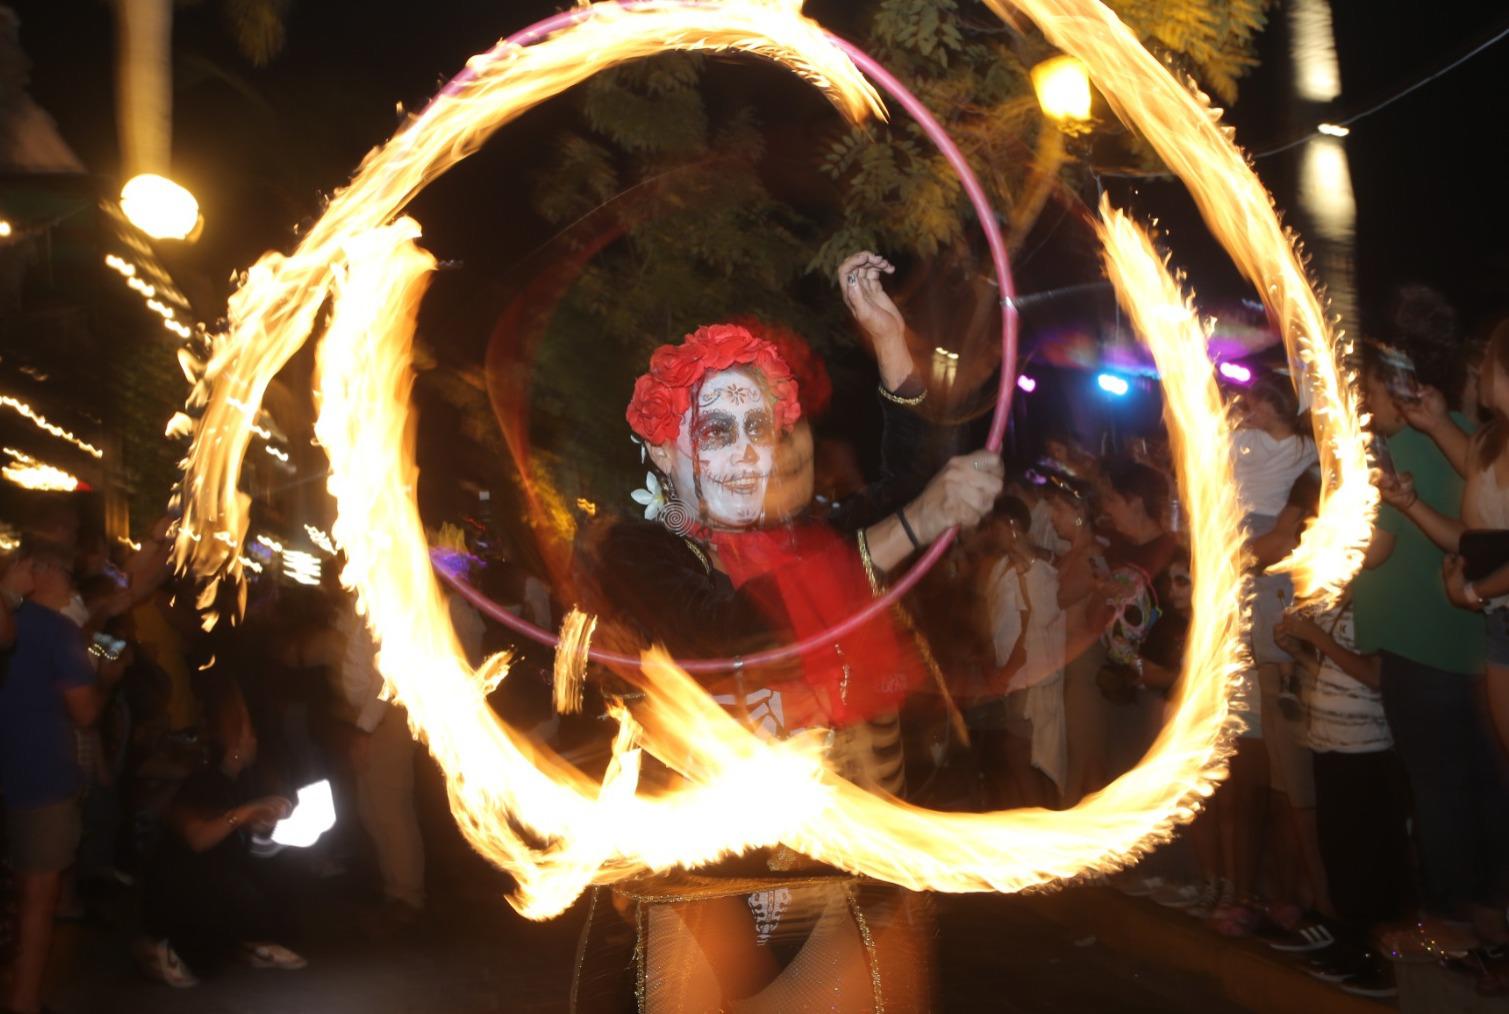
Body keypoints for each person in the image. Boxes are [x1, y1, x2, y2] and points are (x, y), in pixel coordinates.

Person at [579, 252, 1002, 1010]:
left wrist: (888, 341)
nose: (747, 453)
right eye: (716, 431)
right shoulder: (640, 549)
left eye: (758, 428)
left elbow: (917, 474)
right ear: (664, 451)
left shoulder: (811, 539)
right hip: (710, 876)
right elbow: (723, 630)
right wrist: (909, 527)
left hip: (843, 864)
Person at [1351, 339, 1508, 959]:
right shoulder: (1486, 440)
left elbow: (1383, 551)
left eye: (1489, 362)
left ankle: (1455, 917)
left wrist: (1475, 593)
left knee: (1445, 787)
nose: (1479, 371)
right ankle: (1488, 918)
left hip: (1451, 637)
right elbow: (1470, 533)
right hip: (1483, 634)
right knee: (1486, 782)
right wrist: (1411, 498)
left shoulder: (1431, 444)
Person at [0, 541, 122, 1014]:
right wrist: (108, 681)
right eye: (68, 573)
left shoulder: (47, 626)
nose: (73, 582)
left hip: (14, 767)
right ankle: (24, 1000)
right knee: (38, 893)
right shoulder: (58, 631)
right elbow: (86, 711)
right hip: (42, 771)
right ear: (42, 572)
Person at [138, 675, 304, 986]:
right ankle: (159, 947)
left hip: (213, 886)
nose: (255, 738)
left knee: (278, 878)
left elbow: (243, 838)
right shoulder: (199, 778)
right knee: (211, 937)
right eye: (249, 729)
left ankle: (247, 942)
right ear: (236, 740)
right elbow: (198, 838)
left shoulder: (241, 779)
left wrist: (264, 821)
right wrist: (243, 815)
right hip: (178, 893)